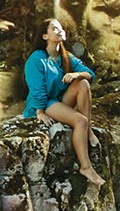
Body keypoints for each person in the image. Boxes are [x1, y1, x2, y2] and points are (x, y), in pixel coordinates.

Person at [23, 16, 102, 184]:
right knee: (80, 121)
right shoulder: (37, 59)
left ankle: (88, 130)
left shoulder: (65, 56)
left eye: (61, 28)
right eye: (55, 29)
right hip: (44, 104)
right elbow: (36, 88)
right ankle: (85, 167)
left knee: (83, 83)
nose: (60, 31)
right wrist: (39, 112)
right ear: (45, 36)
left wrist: (76, 74)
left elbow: (90, 74)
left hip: (60, 100)